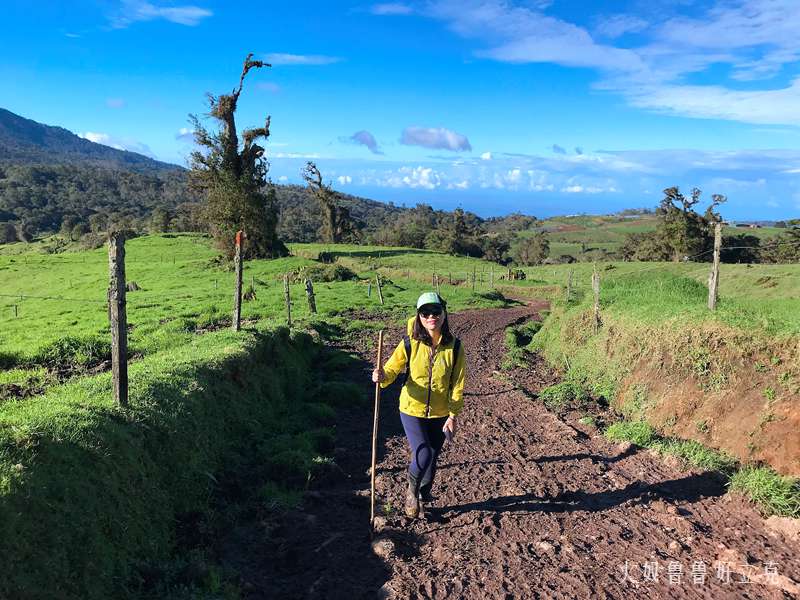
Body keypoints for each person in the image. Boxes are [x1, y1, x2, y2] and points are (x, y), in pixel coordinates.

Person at [372, 292, 467, 518]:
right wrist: (381, 376)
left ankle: (424, 496)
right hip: (411, 408)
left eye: (436, 311)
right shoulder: (409, 343)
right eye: (425, 312)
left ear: (444, 314)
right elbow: (392, 369)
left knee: (432, 459)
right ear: (419, 316)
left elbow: (458, 384)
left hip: (441, 412)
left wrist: (453, 416)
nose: (431, 316)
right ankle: (411, 492)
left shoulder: (455, 347)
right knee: (423, 454)